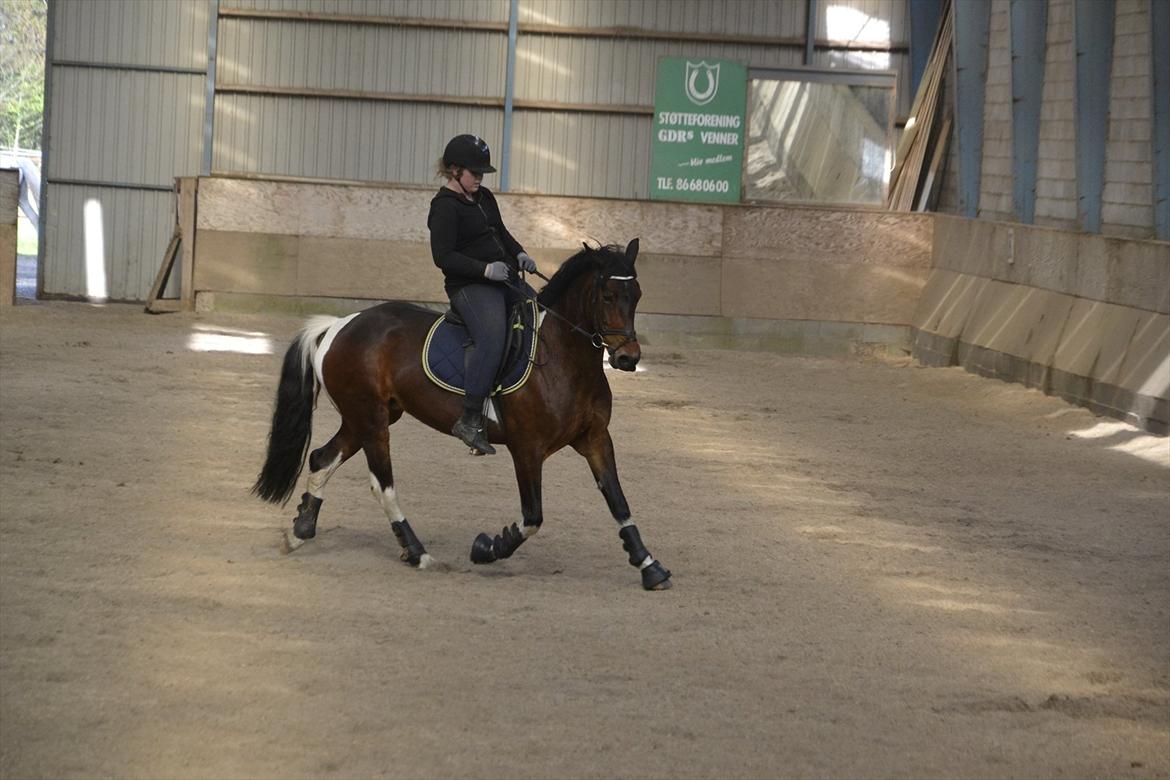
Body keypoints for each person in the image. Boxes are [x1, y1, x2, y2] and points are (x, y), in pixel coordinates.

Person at [428, 134, 538, 456]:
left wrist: (519, 254)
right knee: (491, 334)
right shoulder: (444, 207)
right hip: (470, 286)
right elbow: (443, 256)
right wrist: (484, 270)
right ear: (454, 171)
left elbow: (500, 233)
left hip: (504, 277)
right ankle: (471, 417)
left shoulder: (484, 197)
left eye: (481, 173)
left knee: (539, 315)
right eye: (474, 172)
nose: (479, 177)